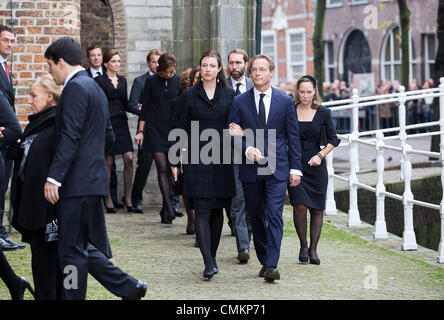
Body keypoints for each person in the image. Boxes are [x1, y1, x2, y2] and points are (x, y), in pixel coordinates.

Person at [43, 36, 147, 300]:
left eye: (50, 65)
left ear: (61, 62)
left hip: (77, 183)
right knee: (80, 245)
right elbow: (107, 136)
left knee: (70, 250)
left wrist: (54, 177)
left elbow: (70, 135)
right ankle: (129, 287)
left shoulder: (76, 88)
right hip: (91, 180)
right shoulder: (94, 87)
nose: (49, 71)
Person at [227, 54, 302, 283]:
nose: (258, 73)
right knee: (256, 217)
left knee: (274, 214)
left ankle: (272, 264)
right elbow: (231, 133)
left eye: (262, 69)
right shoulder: (240, 102)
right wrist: (246, 147)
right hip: (250, 168)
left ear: (271, 72)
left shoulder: (285, 100)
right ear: (250, 74)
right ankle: (263, 258)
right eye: (254, 70)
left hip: (277, 168)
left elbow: (293, 136)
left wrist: (295, 168)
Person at [171, 50, 235, 279]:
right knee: (200, 208)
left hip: (222, 159)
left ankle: (213, 256)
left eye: (212, 65)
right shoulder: (188, 95)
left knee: (217, 211)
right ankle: (208, 262)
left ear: (219, 69)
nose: (207, 69)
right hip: (196, 158)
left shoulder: (230, 95)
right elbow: (179, 128)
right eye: (204, 65)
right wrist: (174, 160)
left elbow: (236, 125)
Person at [10, 74, 63, 299]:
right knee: (41, 269)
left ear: (49, 97)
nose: (29, 100)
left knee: (52, 272)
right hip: (33, 211)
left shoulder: (55, 126)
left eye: (34, 96)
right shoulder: (37, 125)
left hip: (48, 215)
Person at [288, 75, 340, 266]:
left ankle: (314, 249)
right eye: (302, 91)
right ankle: (303, 245)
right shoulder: (290, 110)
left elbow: (334, 139)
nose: (305, 95)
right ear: (297, 91)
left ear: (315, 91)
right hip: (295, 163)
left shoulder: (323, 112)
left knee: (317, 209)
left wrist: (320, 156)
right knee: (299, 206)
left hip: (316, 165)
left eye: (309, 92)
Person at [135, 53, 180, 224]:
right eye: (167, 72)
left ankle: (164, 208)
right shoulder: (151, 82)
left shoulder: (177, 81)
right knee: (162, 167)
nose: (170, 74)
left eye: (172, 72)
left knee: (170, 169)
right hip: (154, 130)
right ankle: (168, 207)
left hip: (173, 130)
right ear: (159, 70)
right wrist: (141, 131)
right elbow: (144, 108)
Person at [95, 49, 136, 213]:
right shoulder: (99, 81)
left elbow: (126, 103)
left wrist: (142, 110)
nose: (117, 64)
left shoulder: (123, 80)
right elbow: (98, 103)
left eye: (118, 61)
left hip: (121, 122)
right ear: (106, 64)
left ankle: (127, 196)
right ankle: (108, 198)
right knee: (108, 161)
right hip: (107, 123)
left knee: (129, 157)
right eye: (113, 61)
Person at [225, 49, 253, 264]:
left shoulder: (256, 87)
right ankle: (243, 246)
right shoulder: (221, 88)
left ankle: (251, 239)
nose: (234, 67)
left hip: (257, 152)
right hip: (229, 152)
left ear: (246, 64)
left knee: (255, 202)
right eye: (231, 63)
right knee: (238, 201)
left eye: (238, 62)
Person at [0, 24, 25, 251]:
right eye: (6, 40)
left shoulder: (6, 66)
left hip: (6, 139)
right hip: (3, 133)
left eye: (12, 40)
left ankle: (1, 233)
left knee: (2, 186)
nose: (10, 44)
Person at [129, 49, 161, 214]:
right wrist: (146, 111)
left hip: (162, 130)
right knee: (144, 166)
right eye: (154, 61)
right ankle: (136, 200)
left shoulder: (166, 80)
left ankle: (172, 202)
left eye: (158, 61)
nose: (156, 64)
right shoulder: (140, 81)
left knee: (168, 167)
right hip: (146, 129)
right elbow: (132, 104)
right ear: (148, 63)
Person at [170, 68, 195, 235]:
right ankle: (191, 218)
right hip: (186, 144)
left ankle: (200, 219)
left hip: (208, 146)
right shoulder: (183, 99)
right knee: (186, 182)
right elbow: (177, 127)